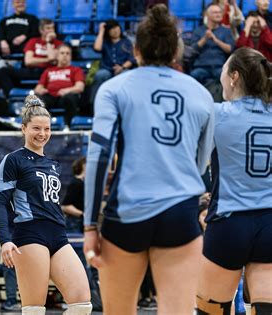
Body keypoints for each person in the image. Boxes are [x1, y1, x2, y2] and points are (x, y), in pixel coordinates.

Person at [83, 4, 215, 315]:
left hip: (128, 211)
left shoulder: (114, 87)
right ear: (176, 51)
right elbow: (201, 163)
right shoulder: (201, 93)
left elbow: (99, 155)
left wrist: (89, 225)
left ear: (137, 49)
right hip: (180, 213)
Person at [0, 95, 92, 315]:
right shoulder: (13, 160)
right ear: (23, 129)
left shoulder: (52, 164)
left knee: (82, 304)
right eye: (36, 128)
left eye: (47, 129)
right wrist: (5, 240)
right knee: (35, 309)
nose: (42, 134)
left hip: (58, 233)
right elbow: (0, 202)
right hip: (30, 234)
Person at [196, 48, 272, 315]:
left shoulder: (218, 113)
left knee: (210, 311)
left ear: (234, 77)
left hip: (229, 223)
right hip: (270, 223)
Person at [0, 19, 63, 96]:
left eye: (52, 28)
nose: (51, 31)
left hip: (49, 72)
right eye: (48, 28)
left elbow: (53, 59)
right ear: (41, 30)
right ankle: (12, 95)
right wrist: (47, 60)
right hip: (32, 70)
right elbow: (28, 61)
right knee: (3, 71)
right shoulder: (33, 41)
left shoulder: (59, 43)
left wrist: (49, 42)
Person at [34, 44, 85, 126]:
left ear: (71, 56)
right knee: (37, 99)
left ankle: (69, 126)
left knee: (70, 97)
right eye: (62, 53)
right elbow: (38, 88)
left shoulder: (76, 70)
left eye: (67, 53)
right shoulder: (48, 71)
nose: (65, 55)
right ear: (57, 56)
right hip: (50, 96)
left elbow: (80, 87)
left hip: (65, 97)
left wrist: (67, 90)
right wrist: (41, 90)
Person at [91, 19, 135, 104]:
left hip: (123, 69)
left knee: (126, 75)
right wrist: (101, 31)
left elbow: (132, 59)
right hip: (107, 69)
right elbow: (97, 48)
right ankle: (94, 104)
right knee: (100, 75)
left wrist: (122, 67)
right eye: (112, 29)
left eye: (116, 27)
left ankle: (126, 104)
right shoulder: (105, 42)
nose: (115, 30)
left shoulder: (127, 42)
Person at [190, 4, 236, 84]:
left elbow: (230, 49)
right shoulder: (198, 30)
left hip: (219, 66)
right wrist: (205, 38)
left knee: (229, 78)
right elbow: (192, 50)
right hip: (202, 66)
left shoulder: (226, 31)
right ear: (207, 15)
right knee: (194, 75)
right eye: (215, 12)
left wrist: (215, 40)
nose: (218, 14)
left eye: (220, 12)